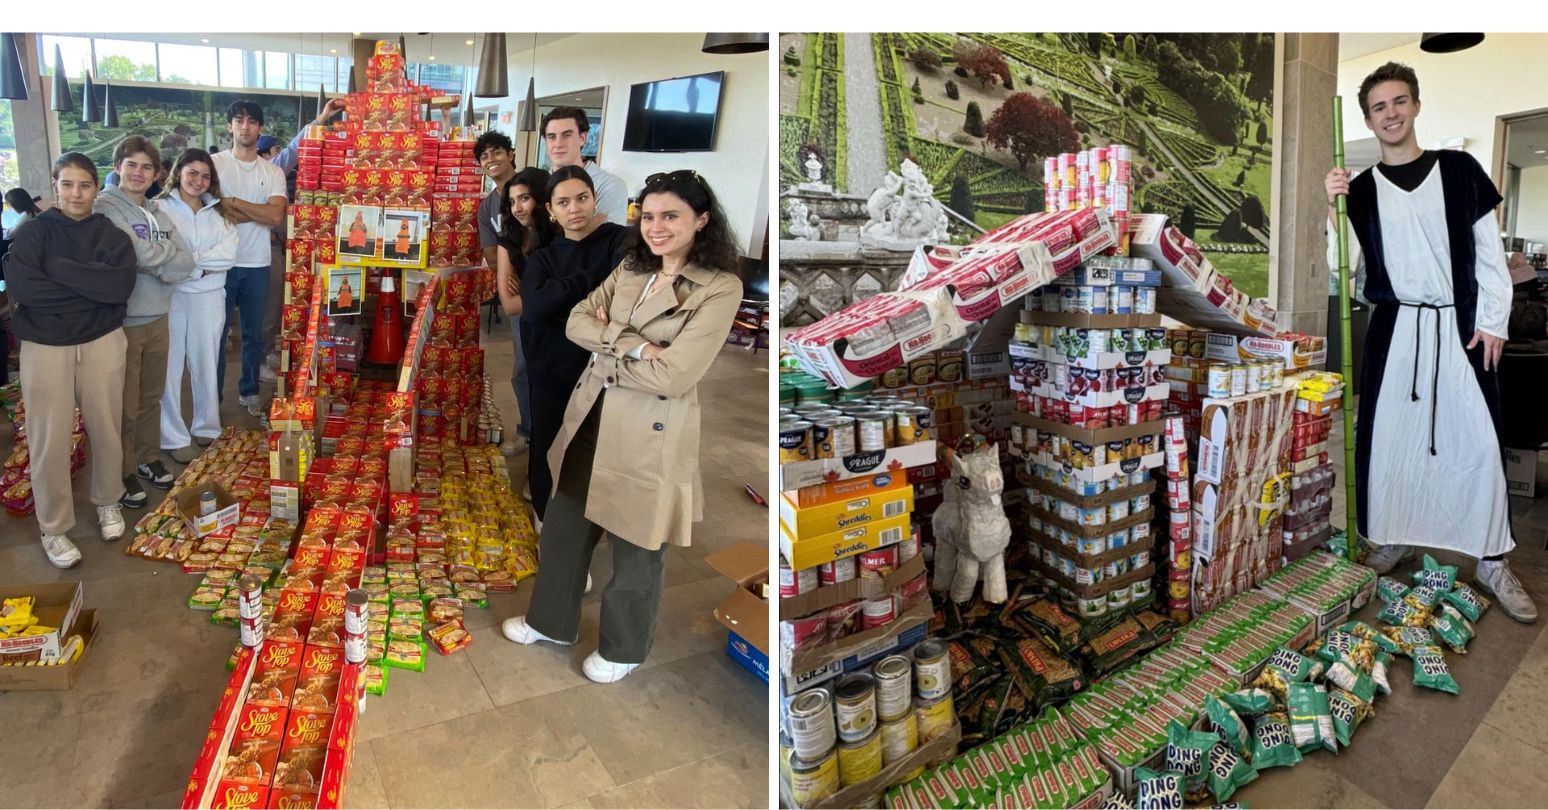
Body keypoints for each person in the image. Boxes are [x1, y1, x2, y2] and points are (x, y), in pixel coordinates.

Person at [501, 170, 743, 683]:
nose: (657, 227)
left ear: (701, 220)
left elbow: (675, 373)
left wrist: (610, 342)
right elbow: (575, 321)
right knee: (566, 518)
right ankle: (551, 621)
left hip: (648, 427)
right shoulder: (633, 267)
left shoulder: (720, 288)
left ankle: (625, 645)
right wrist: (633, 343)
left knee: (637, 539)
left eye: (671, 216)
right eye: (649, 215)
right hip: (592, 409)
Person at [1325, 61, 1535, 622]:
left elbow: (1489, 254)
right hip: (1395, 330)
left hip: (1461, 326)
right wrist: (1335, 210)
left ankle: (1492, 558)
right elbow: (1341, 271)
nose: (1390, 114)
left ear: (1415, 106)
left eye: (1398, 102)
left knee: (1478, 446)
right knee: (1390, 443)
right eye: (1378, 107)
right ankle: (1392, 537)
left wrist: (1494, 319)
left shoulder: (1461, 169)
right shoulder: (1362, 190)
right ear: (1369, 120)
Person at [3, 152, 138, 567]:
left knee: (106, 427)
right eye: (67, 184)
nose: (76, 193)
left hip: (102, 341)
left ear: (97, 188)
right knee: (49, 438)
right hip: (46, 347)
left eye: (84, 185)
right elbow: (25, 289)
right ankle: (54, 526)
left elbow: (118, 288)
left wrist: (58, 270)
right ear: (55, 186)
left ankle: (107, 501)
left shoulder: (112, 236)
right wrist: (88, 284)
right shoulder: (33, 234)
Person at [514, 166, 627, 529]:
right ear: (551, 210)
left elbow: (623, 301)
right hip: (550, 369)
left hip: (605, 369)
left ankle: (591, 525)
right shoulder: (544, 257)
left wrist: (562, 294)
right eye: (564, 202)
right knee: (548, 443)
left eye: (582, 198)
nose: (574, 208)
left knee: (595, 449)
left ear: (595, 200)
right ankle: (547, 521)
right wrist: (590, 284)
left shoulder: (619, 241)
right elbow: (535, 305)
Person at [94, 137, 197, 509]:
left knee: (153, 395)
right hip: (124, 320)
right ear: (119, 166)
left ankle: (147, 456)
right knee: (125, 402)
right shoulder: (106, 207)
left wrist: (158, 261)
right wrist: (162, 258)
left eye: (146, 167)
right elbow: (133, 252)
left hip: (159, 315)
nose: (138, 173)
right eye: (131, 165)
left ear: (157, 174)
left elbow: (187, 261)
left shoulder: (155, 209)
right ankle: (121, 471)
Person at [158, 149, 239, 463]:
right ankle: (173, 435)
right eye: (192, 172)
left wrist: (187, 265)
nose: (198, 181)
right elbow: (161, 255)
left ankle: (207, 427)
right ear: (179, 172)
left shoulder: (219, 212)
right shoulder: (159, 208)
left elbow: (228, 256)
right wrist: (199, 267)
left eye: (205, 176)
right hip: (171, 297)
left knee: (207, 362)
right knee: (170, 367)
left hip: (209, 297)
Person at [212, 101, 288, 418]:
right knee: (216, 335)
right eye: (239, 120)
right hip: (220, 263)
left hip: (258, 262)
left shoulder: (272, 171)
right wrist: (245, 211)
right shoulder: (214, 164)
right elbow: (211, 211)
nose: (245, 127)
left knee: (254, 335)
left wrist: (232, 203)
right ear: (230, 126)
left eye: (252, 121)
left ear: (260, 129)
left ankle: (249, 391)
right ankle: (210, 398)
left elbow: (275, 213)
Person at [494, 168, 556, 482]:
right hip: (524, 321)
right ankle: (527, 431)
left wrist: (532, 291)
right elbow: (509, 302)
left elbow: (562, 291)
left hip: (561, 322)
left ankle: (552, 443)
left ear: (543, 200)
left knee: (554, 378)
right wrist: (541, 292)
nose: (518, 207)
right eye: (513, 200)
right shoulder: (510, 238)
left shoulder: (559, 238)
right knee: (522, 372)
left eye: (526, 198)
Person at [473, 131, 531, 459]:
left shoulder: (532, 185)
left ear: (511, 153)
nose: (491, 160)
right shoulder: (487, 206)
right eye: (484, 156)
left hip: (548, 290)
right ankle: (526, 432)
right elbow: (491, 255)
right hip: (516, 293)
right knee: (522, 365)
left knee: (552, 368)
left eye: (496, 152)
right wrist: (511, 277)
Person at [541, 107, 627, 225]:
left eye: (566, 135)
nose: (558, 144)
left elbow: (606, 237)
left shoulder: (608, 185)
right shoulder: (540, 181)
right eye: (552, 137)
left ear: (582, 138)